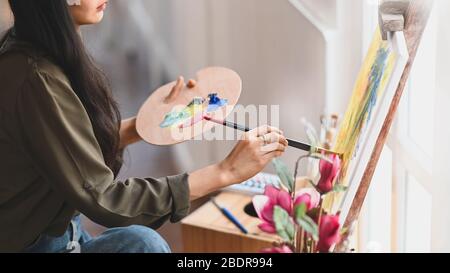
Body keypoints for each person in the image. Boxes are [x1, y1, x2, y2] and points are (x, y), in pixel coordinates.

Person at [0, 0, 288, 253]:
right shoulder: (38, 81)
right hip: (39, 245)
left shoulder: (33, 52)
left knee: (141, 243)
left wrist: (151, 122)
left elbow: (71, 148)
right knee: (146, 244)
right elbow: (103, 199)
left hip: (64, 233)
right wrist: (226, 172)